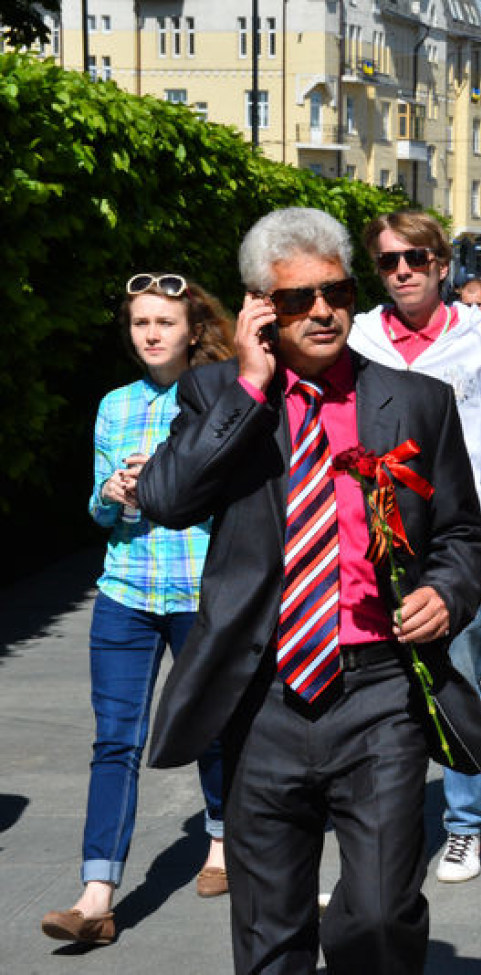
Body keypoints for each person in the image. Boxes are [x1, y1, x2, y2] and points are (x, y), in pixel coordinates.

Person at [137, 207, 481, 973]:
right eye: (298, 299)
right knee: (269, 929)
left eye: (336, 291)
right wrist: (251, 385)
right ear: (261, 310)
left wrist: (446, 592)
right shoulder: (216, 397)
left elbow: (463, 534)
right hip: (262, 697)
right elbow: (166, 498)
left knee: (380, 912)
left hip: (379, 692)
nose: (323, 310)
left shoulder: (416, 401)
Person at [40, 274, 235, 947]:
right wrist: (116, 489)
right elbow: (97, 511)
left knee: (208, 724)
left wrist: (169, 477)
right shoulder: (114, 404)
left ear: (193, 328)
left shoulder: (218, 398)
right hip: (125, 589)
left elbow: (241, 502)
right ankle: (97, 894)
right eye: (139, 322)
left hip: (198, 590)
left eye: (164, 322)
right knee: (115, 739)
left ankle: (221, 840)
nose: (150, 333)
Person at [349, 210, 481, 884]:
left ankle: (463, 825)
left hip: (453, 550)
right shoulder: (360, 336)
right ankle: (375, 831)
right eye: (391, 259)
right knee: (367, 688)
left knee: (457, 678)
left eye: (417, 258)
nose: (403, 270)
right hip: (365, 547)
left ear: (442, 264)